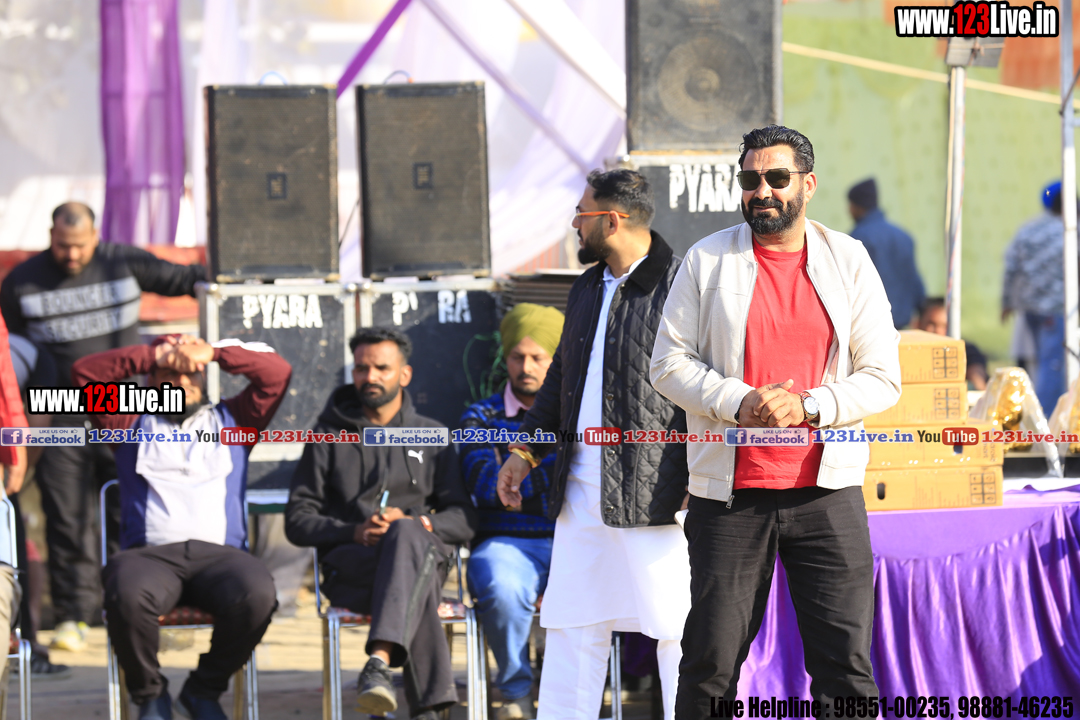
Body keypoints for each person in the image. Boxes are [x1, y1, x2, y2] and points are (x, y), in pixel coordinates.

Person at [650, 125, 901, 713]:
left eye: (777, 177)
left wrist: (810, 405)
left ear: (807, 185)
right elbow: (666, 364)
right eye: (750, 178)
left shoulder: (848, 258)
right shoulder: (706, 258)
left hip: (827, 492)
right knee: (709, 665)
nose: (762, 190)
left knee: (845, 668)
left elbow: (883, 377)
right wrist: (737, 401)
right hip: (729, 496)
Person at [497, 169, 691, 720]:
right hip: (580, 488)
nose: (574, 226)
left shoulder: (682, 283)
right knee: (571, 625)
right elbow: (561, 378)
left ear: (612, 219)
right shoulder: (585, 287)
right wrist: (524, 452)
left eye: (581, 214)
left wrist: (698, 476)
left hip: (657, 490)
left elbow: (707, 388)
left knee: (678, 628)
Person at [0, 202, 206, 652]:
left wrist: (233, 291)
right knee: (65, 517)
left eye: (80, 245)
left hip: (126, 409)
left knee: (132, 512)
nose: (72, 254)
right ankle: (73, 616)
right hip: (59, 410)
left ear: (96, 236)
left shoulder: (122, 261)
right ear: (50, 235)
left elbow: (190, 280)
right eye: (62, 245)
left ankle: (136, 610)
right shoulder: (21, 282)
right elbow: (9, 355)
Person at [71, 335, 289, 720]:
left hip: (222, 559)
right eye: (169, 374)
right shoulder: (127, 420)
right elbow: (85, 374)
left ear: (204, 378)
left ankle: (203, 691)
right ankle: (150, 695)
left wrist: (216, 352)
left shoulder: (237, 419)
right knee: (126, 592)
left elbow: (277, 374)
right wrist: (153, 354)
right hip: (150, 558)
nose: (182, 382)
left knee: (257, 593)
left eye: (191, 373)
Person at [285, 327, 477, 720]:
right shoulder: (327, 436)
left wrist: (417, 523)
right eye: (361, 368)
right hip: (355, 571)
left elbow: (464, 519)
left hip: (421, 560)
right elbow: (297, 520)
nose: (369, 376)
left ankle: (378, 665)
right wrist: (353, 531)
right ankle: (426, 709)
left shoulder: (432, 435)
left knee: (406, 534)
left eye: (381, 368)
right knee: (415, 582)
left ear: (404, 374)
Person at [459, 302, 564, 720]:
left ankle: (567, 697)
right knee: (500, 584)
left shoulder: (578, 418)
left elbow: (586, 477)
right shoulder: (480, 416)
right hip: (506, 544)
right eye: (518, 356)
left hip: (574, 538)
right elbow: (485, 484)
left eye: (538, 357)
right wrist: (553, 466)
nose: (526, 367)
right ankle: (516, 693)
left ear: (557, 360)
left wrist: (517, 466)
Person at [1002, 181, 1074, 413]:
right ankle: (1044, 422)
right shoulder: (1071, 230)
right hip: (1056, 309)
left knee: (1039, 365)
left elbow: (1011, 267)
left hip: (1030, 309)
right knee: (1053, 367)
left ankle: (1034, 415)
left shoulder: (1029, 229)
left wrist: (1007, 303)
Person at [847, 177, 925, 329]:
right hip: (902, 326)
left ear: (857, 206)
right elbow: (914, 282)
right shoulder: (904, 236)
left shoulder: (857, 238)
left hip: (871, 328)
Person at [915, 297, 989, 391]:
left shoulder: (966, 350)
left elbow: (978, 380)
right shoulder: (909, 351)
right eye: (932, 324)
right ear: (918, 324)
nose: (938, 331)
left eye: (944, 326)